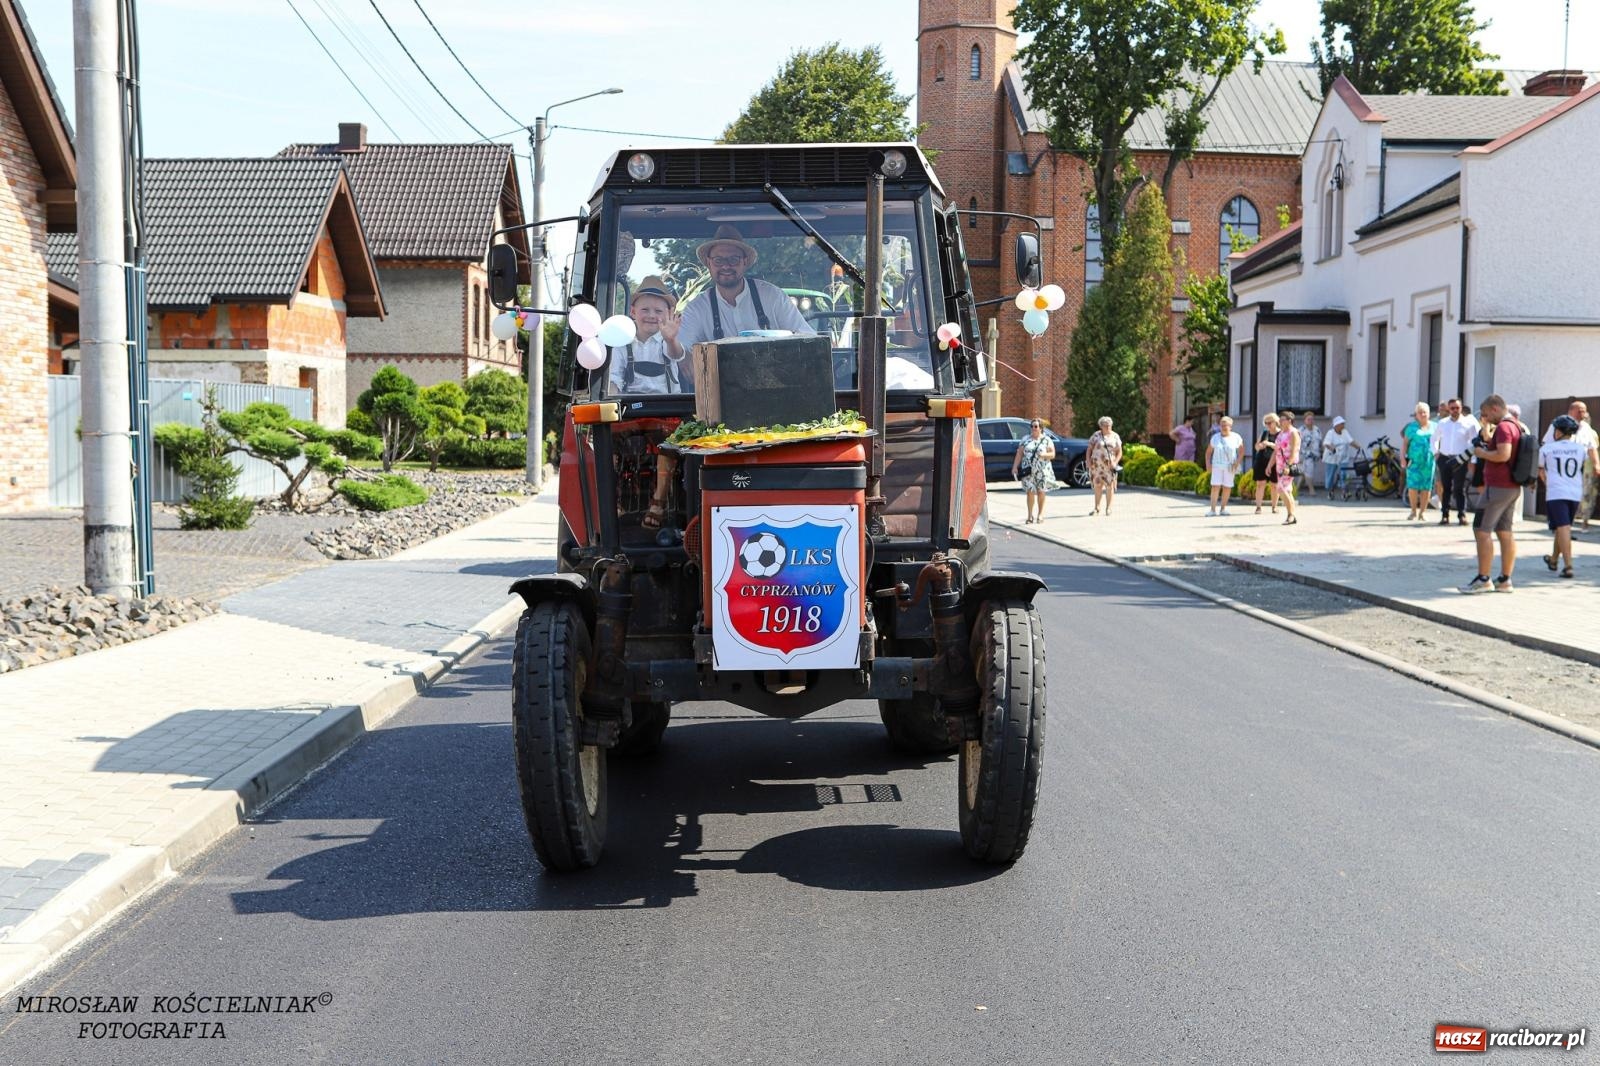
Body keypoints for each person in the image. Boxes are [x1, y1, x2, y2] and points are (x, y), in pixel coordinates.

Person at [676, 225, 814, 351]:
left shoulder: (772, 296)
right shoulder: (697, 308)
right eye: (718, 260)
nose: (725, 266)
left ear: (745, 261)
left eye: (733, 259)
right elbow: (680, 352)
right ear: (708, 263)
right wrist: (686, 361)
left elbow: (809, 339)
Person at [1462, 394, 1522, 594]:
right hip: (1511, 487)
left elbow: (1503, 454)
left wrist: (1482, 454)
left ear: (1495, 408)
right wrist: (1487, 438)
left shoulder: (1504, 427)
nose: (1485, 418)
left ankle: (1484, 579)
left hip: (1497, 487)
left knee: (1481, 530)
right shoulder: (1515, 425)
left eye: (1487, 414)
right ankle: (1505, 580)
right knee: (1504, 532)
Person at [1540, 415, 1597, 579]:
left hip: (1556, 492)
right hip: (1574, 492)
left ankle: (1568, 565)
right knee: (1562, 526)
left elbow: (1541, 470)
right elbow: (1586, 462)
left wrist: (1545, 482)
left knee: (1563, 527)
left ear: (1558, 431)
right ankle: (1553, 559)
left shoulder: (1547, 449)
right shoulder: (1580, 449)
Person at [609, 275, 686, 395]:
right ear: (633, 312)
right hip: (630, 407)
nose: (651, 315)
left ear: (668, 314)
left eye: (658, 311)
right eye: (645, 310)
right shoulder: (622, 342)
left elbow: (676, 355)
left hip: (668, 406)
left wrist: (671, 340)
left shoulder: (667, 339)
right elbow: (614, 378)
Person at [1543, 400, 1598, 531]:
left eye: (1584, 411)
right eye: (1580, 411)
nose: (1583, 414)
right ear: (1571, 411)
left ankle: (1567, 528)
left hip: (1578, 472)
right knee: (1560, 503)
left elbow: (1592, 448)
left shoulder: (1586, 428)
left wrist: (1596, 464)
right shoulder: (1558, 424)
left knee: (1575, 501)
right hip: (1560, 471)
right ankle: (1561, 529)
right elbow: (1546, 445)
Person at [1432, 397, 1478, 526]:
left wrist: (1472, 460)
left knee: (1459, 488)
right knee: (1445, 487)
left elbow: (1474, 444)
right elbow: (1434, 438)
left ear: (1461, 408)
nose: (1455, 410)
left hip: (1460, 459)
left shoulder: (1469, 424)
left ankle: (1461, 515)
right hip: (1445, 458)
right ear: (1448, 409)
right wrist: (1436, 452)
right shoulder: (1443, 423)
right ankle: (1445, 515)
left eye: (1457, 408)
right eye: (1452, 408)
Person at [1012, 419, 1058, 523]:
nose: (1033, 428)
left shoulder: (1047, 440)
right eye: (1032, 426)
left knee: (1041, 492)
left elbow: (1053, 454)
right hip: (1028, 470)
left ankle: (1040, 515)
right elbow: (1019, 453)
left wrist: (1044, 455)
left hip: (1042, 470)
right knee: (1029, 492)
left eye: (1036, 426)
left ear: (1041, 428)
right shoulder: (1025, 439)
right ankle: (1029, 516)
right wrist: (1015, 467)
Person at [1401, 401, 1437, 520]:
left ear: (1429, 414)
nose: (1422, 414)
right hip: (1414, 461)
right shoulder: (1411, 428)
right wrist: (1403, 459)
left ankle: (1422, 512)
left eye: (1425, 412)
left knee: (1426, 487)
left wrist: (1438, 454)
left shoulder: (1435, 426)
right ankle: (1413, 511)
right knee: (1413, 487)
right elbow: (1405, 444)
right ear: (1416, 415)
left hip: (1429, 461)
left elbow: (1440, 442)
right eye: (1420, 412)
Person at [1205, 415, 1244, 516]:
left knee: (1227, 487)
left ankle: (1223, 509)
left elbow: (1241, 452)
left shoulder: (1236, 437)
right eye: (1222, 425)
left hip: (1230, 466)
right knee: (1215, 486)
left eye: (1226, 425)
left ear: (1230, 426)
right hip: (1217, 465)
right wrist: (1208, 464)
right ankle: (1212, 510)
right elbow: (1208, 452)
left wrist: (1237, 463)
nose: (1223, 427)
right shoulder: (1215, 438)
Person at [1267, 409, 1301, 525]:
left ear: (1289, 421)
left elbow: (1294, 451)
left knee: (1280, 489)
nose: (1280, 422)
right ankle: (1292, 516)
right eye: (1279, 419)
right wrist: (1269, 465)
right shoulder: (1281, 433)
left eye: (1282, 420)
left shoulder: (1293, 433)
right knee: (1287, 491)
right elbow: (1276, 450)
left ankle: (1290, 515)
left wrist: (1288, 465)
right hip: (1279, 465)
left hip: (1287, 466)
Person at [1086, 416, 1123, 516]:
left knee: (1109, 486)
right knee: (1098, 485)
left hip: (1109, 465)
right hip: (1097, 465)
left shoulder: (1115, 436)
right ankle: (1097, 508)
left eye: (1109, 425)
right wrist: (1088, 460)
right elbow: (1089, 449)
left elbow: (1119, 451)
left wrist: (1115, 462)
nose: (1108, 427)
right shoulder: (1096, 435)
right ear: (1101, 426)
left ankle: (1108, 508)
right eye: (1105, 425)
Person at [1252, 413, 1280, 514]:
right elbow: (1256, 446)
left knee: (1274, 485)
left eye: (1269, 422)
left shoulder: (1280, 434)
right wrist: (1260, 446)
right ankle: (1258, 507)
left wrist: (1270, 444)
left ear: (1276, 422)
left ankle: (1274, 506)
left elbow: (1280, 447)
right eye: (1266, 423)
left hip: (1276, 461)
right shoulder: (1264, 433)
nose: (1267, 425)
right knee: (1260, 484)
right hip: (1261, 460)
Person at [1322, 415, 1354, 494]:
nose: (1343, 425)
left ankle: (1343, 489)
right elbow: (1326, 443)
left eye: (1343, 423)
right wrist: (1332, 448)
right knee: (1330, 474)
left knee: (1343, 473)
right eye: (1342, 424)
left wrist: (1359, 447)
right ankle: (1329, 489)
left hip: (1343, 456)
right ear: (1337, 425)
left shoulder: (1345, 432)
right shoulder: (1330, 433)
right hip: (1332, 456)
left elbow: (1351, 441)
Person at [1296, 412, 1322, 498]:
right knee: (1308, 472)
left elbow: (1320, 442)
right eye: (1308, 419)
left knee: (1303, 473)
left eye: (1312, 419)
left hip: (1315, 455)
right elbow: (1296, 443)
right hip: (1304, 455)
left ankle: (1296, 490)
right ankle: (1311, 490)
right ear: (1304, 420)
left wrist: (1321, 452)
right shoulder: (1301, 430)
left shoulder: (1317, 430)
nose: (1310, 421)